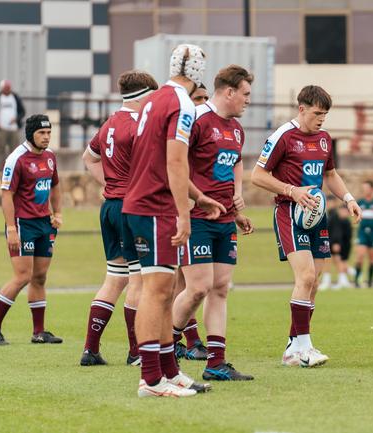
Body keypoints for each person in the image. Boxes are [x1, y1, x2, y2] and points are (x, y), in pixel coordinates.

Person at [122, 44, 213, 397]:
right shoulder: (183, 103)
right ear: (198, 75)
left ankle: (169, 371)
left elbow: (161, 159)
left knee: (162, 291)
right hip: (154, 207)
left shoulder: (157, 98)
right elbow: (175, 162)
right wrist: (185, 213)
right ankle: (150, 378)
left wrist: (197, 196)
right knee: (157, 291)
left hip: (142, 202)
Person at [252, 85, 362, 367]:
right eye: (316, 113)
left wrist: (348, 198)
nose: (321, 119)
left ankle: (293, 347)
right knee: (305, 276)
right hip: (290, 213)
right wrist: (292, 191)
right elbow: (257, 175)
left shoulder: (325, 139)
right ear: (301, 109)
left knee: (314, 282)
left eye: (325, 114)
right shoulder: (283, 136)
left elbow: (331, 174)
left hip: (317, 215)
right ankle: (304, 346)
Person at [173, 65, 255, 381]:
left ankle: (215, 363)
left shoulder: (236, 129)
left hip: (224, 221)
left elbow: (235, 161)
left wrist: (237, 199)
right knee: (197, 288)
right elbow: (175, 162)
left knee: (220, 288)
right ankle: (161, 346)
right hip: (197, 218)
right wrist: (187, 205)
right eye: (245, 94)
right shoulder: (196, 119)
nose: (248, 100)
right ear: (229, 91)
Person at [79, 70, 159, 366]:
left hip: (111, 207)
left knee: (114, 278)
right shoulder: (140, 125)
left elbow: (88, 157)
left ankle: (90, 349)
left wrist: (109, 185)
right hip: (132, 209)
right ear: (144, 96)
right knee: (138, 280)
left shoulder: (110, 122)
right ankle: (136, 351)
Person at [0, 115, 62, 345]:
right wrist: (12, 228)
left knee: (39, 277)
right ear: (31, 133)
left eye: (49, 133)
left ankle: (39, 332)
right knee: (22, 276)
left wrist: (58, 212)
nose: (46, 137)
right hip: (23, 224)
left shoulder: (50, 157)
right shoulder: (17, 159)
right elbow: (6, 195)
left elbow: (55, 186)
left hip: (44, 223)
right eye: (41, 133)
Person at [171, 81, 211, 362]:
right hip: (175, 211)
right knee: (179, 282)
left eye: (207, 98)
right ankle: (179, 341)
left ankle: (188, 340)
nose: (203, 103)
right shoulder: (181, 130)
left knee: (182, 280)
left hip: (196, 211)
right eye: (198, 98)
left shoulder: (204, 130)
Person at [319, 197, 353, 290]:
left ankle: (330, 281)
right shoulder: (327, 213)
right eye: (328, 202)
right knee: (330, 260)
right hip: (326, 240)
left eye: (331, 202)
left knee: (335, 260)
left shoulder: (334, 214)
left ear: (334, 203)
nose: (329, 204)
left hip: (332, 242)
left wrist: (336, 242)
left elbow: (336, 230)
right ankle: (338, 280)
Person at [0, 80, 25, 170]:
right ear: (2, 88)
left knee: (15, 151)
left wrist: (16, 119)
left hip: (13, 129)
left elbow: (22, 112)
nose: (7, 89)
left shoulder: (15, 97)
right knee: (0, 151)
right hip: (1, 129)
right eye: (5, 88)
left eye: (9, 87)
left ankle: (15, 170)